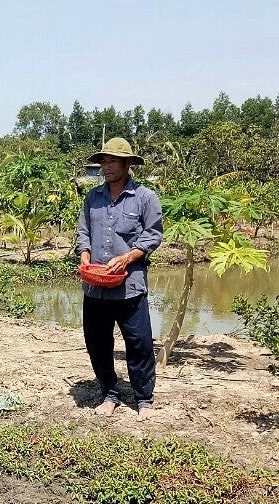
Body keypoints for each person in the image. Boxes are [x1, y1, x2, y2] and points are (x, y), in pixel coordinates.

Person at [75, 137, 163, 421]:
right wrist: (85, 254)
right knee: (98, 343)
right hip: (96, 287)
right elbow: (83, 231)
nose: (107, 167)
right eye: (104, 161)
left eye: (113, 161)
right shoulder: (93, 198)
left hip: (130, 286)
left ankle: (144, 398)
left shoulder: (145, 198)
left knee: (139, 343)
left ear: (127, 164)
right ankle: (110, 393)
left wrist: (127, 257)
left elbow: (153, 235)